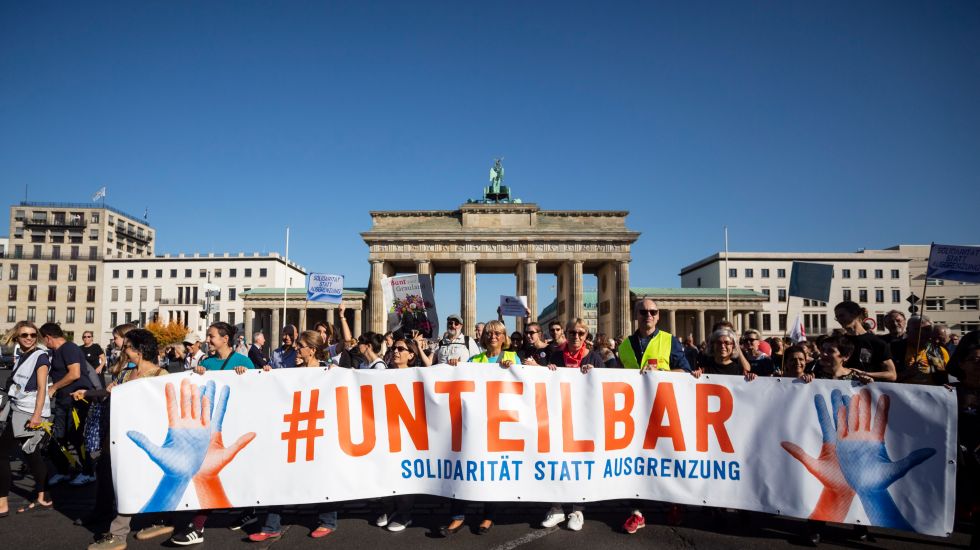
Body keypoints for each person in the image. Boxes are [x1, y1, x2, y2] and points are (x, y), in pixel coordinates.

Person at [81, 328, 170, 550]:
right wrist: (112, 391)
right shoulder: (126, 373)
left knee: (130, 484)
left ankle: (118, 535)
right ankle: (157, 520)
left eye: (128, 346)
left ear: (140, 350)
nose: (124, 350)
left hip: (143, 440)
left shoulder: (160, 376)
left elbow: (163, 410)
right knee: (127, 483)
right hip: (118, 438)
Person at [170, 322, 254, 546]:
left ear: (225, 339)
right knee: (209, 473)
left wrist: (247, 376)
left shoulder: (243, 362)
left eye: (211, 336)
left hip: (235, 426)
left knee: (231, 473)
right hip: (210, 430)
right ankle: (198, 525)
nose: (207, 340)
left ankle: (248, 508)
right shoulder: (205, 363)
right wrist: (197, 374)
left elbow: (256, 391)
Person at [250, 331, 338, 541]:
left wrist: (336, 373)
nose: (296, 349)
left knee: (321, 476)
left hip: (320, 430)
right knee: (279, 475)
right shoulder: (292, 371)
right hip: (295, 428)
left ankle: (328, 520)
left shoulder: (329, 370)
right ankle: (271, 526)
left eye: (301, 346)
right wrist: (269, 375)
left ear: (313, 350)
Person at [439, 320, 515, 537]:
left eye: (498, 333)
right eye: (489, 333)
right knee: (464, 465)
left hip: (501, 423)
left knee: (492, 470)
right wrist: (455, 367)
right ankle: (457, 516)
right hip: (475, 423)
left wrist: (515, 371)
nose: (493, 336)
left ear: (504, 336)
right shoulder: (474, 359)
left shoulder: (513, 358)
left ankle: (488, 515)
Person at [539, 319, 603, 531]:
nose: (576, 336)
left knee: (579, 463)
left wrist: (595, 373)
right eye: (572, 333)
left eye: (581, 333)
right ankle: (556, 507)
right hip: (559, 416)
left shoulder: (594, 357)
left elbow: (607, 384)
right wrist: (547, 371)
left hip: (584, 420)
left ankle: (577, 509)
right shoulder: (556, 355)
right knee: (557, 460)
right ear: (566, 334)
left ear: (586, 335)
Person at [0, 322, 51, 516]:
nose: (29, 338)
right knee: (31, 453)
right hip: (19, 409)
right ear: (17, 338)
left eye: (32, 334)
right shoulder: (24, 356)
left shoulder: (40, 356)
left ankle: (2, 502)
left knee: (1, 453)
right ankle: (43, 496)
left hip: (29, 413)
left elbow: (41, 388)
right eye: (24, 335)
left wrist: (37, 415)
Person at [39, 322, 97, 487]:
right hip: (63, 400)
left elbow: (75, 373)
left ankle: (88, 473)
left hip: (76, 400)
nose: (44, 343)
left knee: (76, 437)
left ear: (48, 337)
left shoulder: (69, 348)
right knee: (59, 437)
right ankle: (65, 471)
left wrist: (54, 387)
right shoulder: (55, 352)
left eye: (43, 339)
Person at [375, 336, 424, 532]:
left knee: (406, 472)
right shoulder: (383, 374)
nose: (395, 351)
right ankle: (389, 508)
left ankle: (405, 514)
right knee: (386, 469)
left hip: (409, 431)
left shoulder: (418, 374)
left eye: (401, 349)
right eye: (394, 348)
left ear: (411, 355)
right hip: (386, 429)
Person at [617, 299, 691, 373]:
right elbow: (616, 376)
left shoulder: (670, 340)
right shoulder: (623, 346)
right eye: (643, 312)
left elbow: (685, 371)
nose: (648, 315)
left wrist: (660, 372)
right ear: (636, 315)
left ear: (658, 315)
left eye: (653, 312)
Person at [833, 301, 896, 382]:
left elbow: (892, 374)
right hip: (843, 389)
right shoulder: (838, 341)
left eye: (842, 316)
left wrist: (865, 374)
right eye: (837, 317)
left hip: (867, 391)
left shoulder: (877, 342)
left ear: (855, 314)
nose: (839, 320)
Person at [894, 315, 949, 385]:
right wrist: (906, 373)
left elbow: (945, 378)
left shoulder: (940, 351)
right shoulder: (894, 348)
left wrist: (931, 370)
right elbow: (885, 378)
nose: (922, 333)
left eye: (927, 330)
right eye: (917, 329)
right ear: (907, 330)